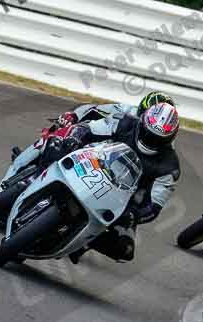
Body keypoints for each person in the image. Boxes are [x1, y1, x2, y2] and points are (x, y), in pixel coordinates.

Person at [60, 101, 182, 263]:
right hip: (91, 165)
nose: (150, 140)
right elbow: (89, 129)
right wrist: (75, 138)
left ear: (170, 138)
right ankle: (27, 175)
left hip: (120, 201)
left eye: (157, 139)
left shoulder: (169, 167)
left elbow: (153, 207)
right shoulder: (124, 123)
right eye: (148, 133)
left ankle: (83, 241)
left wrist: (132, 215)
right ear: (143, 122)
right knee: (56, 148)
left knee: (125, 250)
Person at [5, 91, 176, 180]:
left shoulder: (165, 147)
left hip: (122, 174)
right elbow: (91, 108)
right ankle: (29, 161)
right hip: (99, 145)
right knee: (59, 135)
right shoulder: (126, 112)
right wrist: (72, 117)